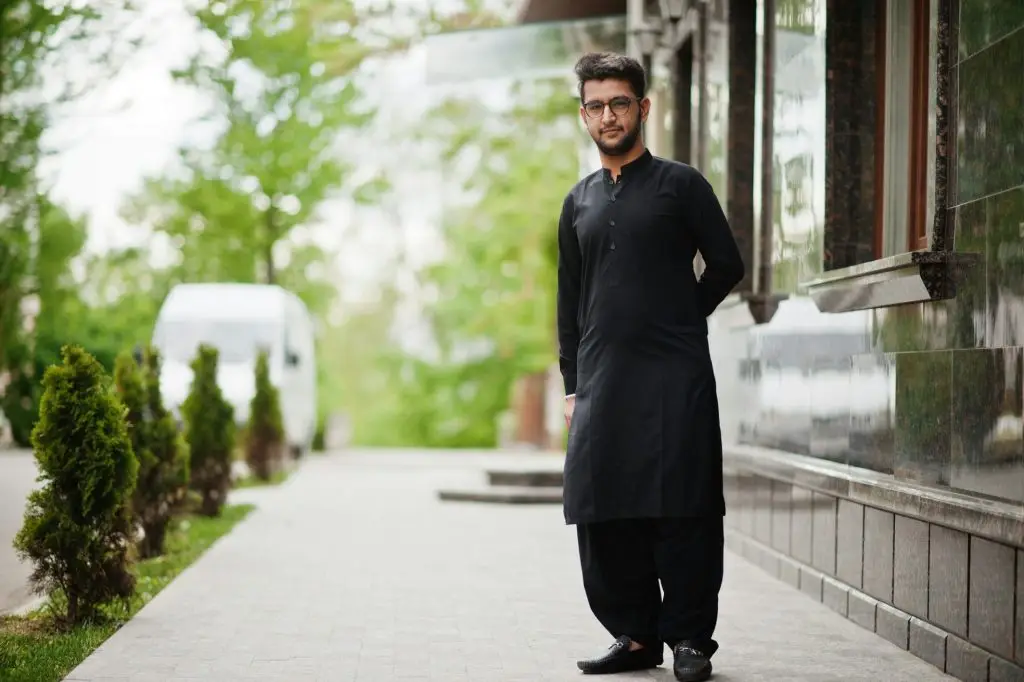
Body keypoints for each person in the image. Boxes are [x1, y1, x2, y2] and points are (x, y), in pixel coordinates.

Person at [556, 52, 745, 681]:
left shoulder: (680, 185)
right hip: (602, 379)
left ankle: (689, 639)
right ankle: (635, 634)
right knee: (604, 505)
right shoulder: (578, 201)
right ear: (583, 113)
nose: (607, 116)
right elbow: (569, 300)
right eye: (595, 105)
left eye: (619, 103)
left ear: (643, 107)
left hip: (675, 375)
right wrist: (572, 384)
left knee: (683, 504)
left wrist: (681, 317)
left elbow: (726, 265)